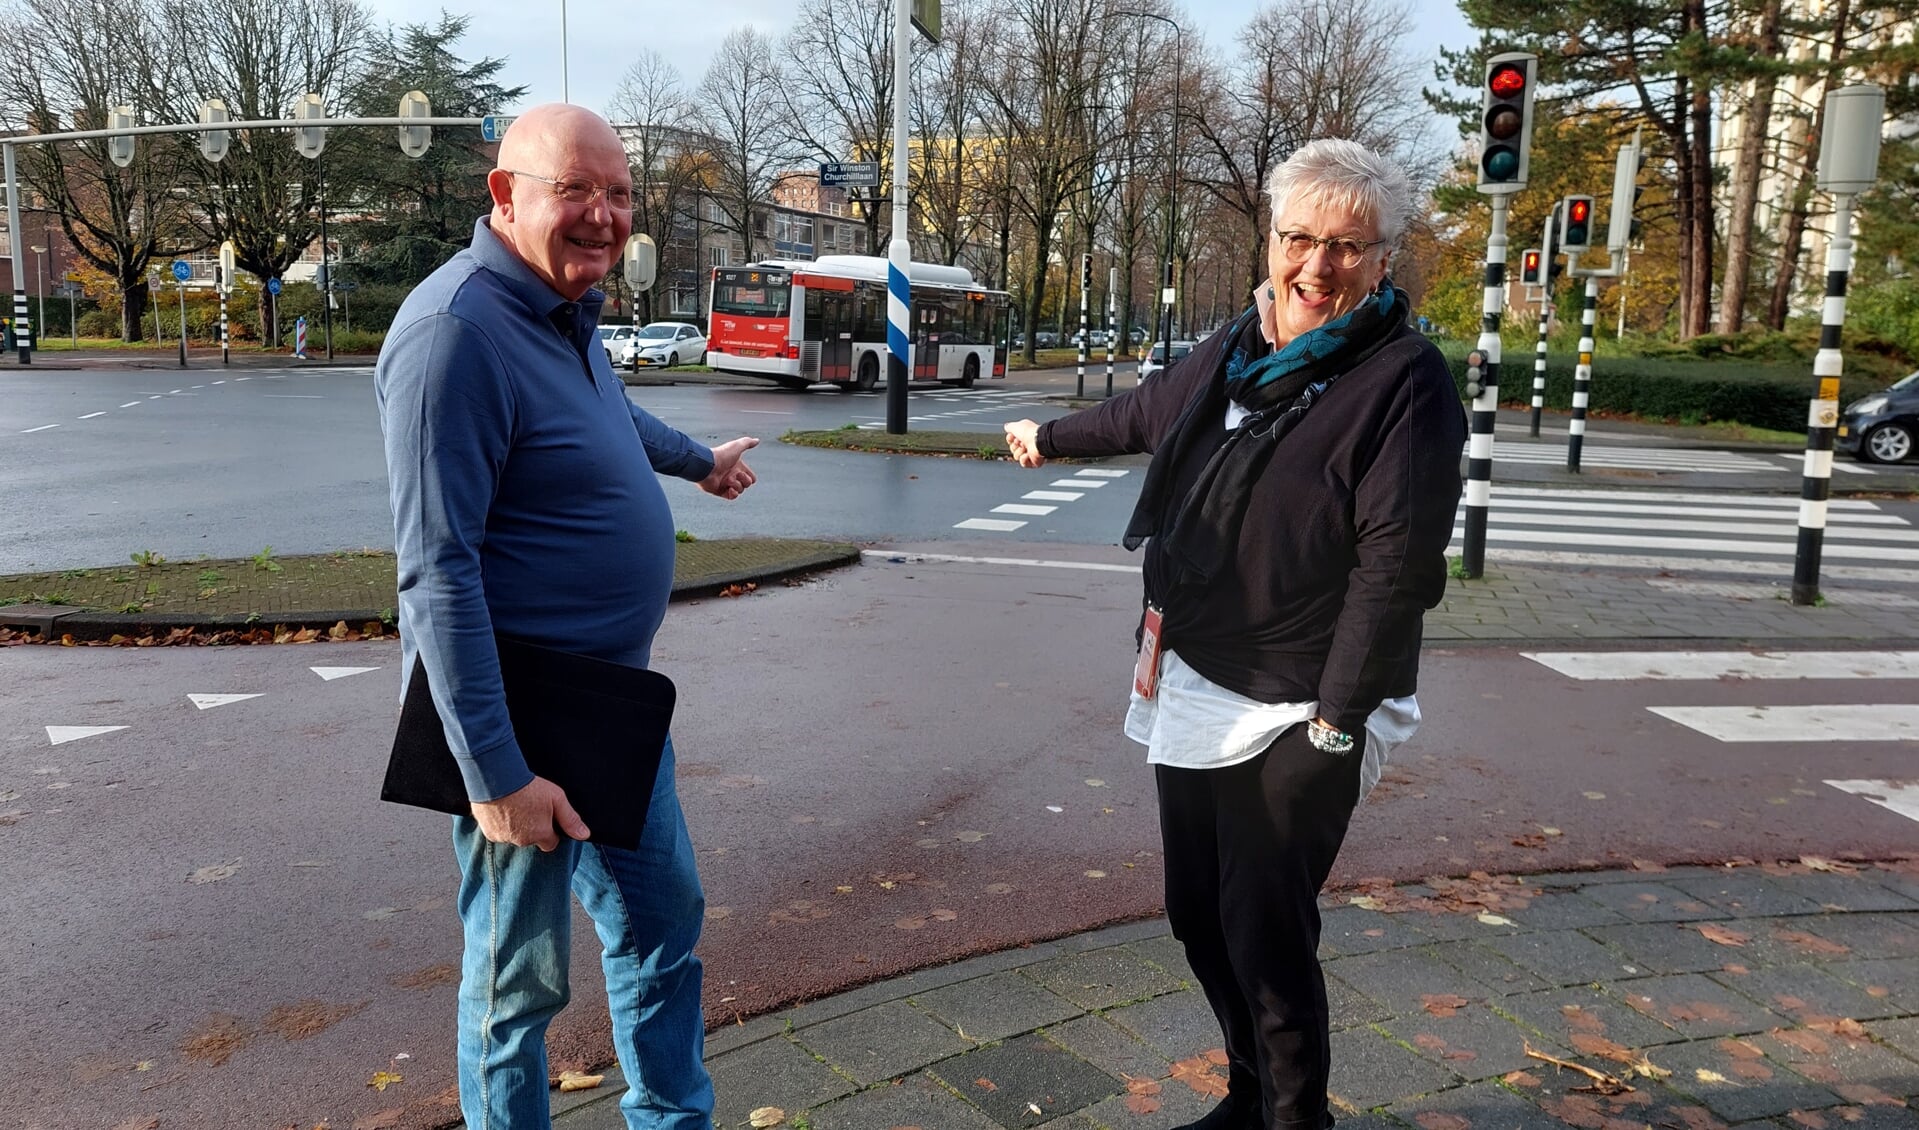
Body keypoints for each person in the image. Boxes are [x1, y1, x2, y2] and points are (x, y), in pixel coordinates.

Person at [1003, 138, 1465, 1130]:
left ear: (1382, 260)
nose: (1314, 266)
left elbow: (1396, 576)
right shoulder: (1235, 349)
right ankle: (1251, 1092)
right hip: (1196, 676)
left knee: (1263, 929)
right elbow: (1146, 413)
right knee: (1196, 911)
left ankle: (1296, 1117)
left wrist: (1334, 728)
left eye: (1345, 245)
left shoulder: (1405, 381)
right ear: (1270, 239)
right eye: (1297, 236)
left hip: (1307, 698)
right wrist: (1048, 435)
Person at [375, 103, 757, 1130]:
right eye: (573, 190)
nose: (602, 215)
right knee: (517, 988)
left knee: (662, 925)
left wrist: (697, 461)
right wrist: (495, 776)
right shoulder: (454, 333)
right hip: (519, 717)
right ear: (503, 195)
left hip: (611, 709)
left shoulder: (558, 309)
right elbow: (438, 573)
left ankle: (672, 1119)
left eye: (618, 193)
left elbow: (605, 416)